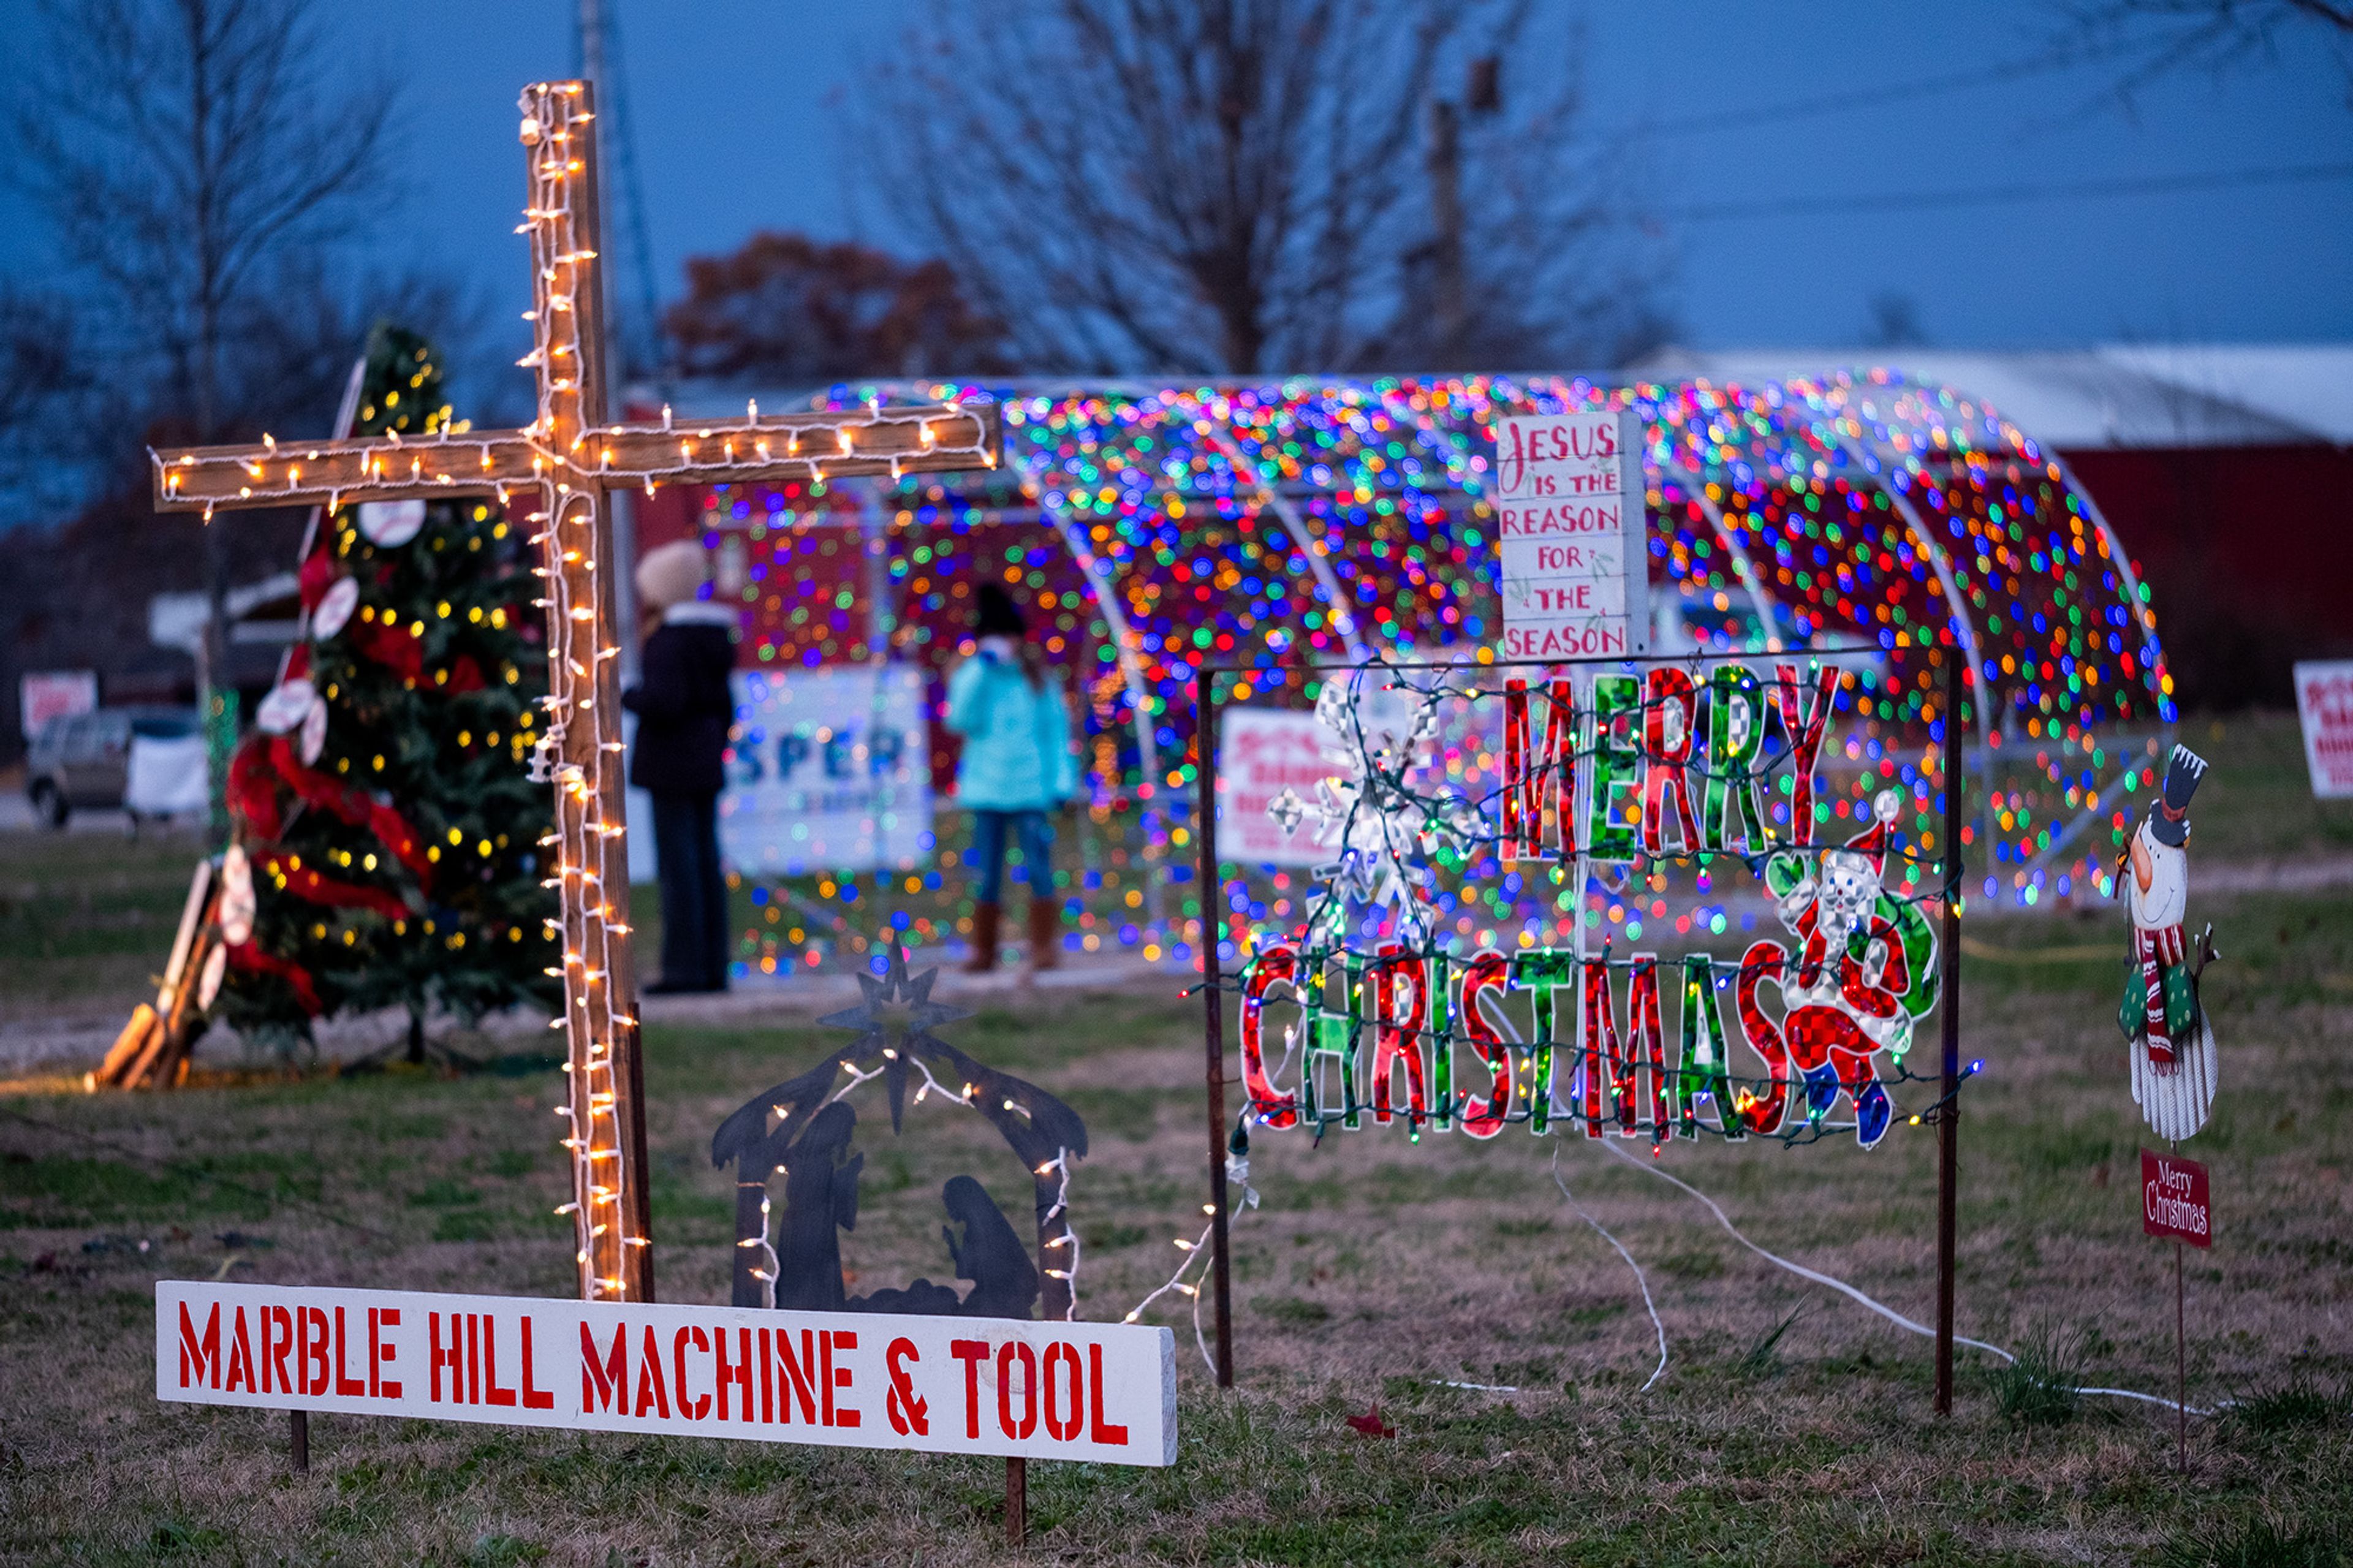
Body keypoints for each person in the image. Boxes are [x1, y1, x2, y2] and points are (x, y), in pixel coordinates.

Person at [623, 540, 737, 994]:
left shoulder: (669, 641)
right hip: (704, 761)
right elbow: (725, 706)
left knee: (679, 869)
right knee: (705, 862)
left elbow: (665, 702)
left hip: (671, 764)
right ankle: (712, 965)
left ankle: (683, 968)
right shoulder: (713, 638)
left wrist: (627, 693)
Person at [945, 583, 1078, 972]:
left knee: (1039, 869)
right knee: (986, 874)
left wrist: (1062, 784)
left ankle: (1043, 948)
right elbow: (959, 719)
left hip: (1031, 791)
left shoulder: (1038, 681)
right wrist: (979, 670)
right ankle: (984, 951)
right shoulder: (972, 676)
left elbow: (1056, 735)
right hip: (987, 791)